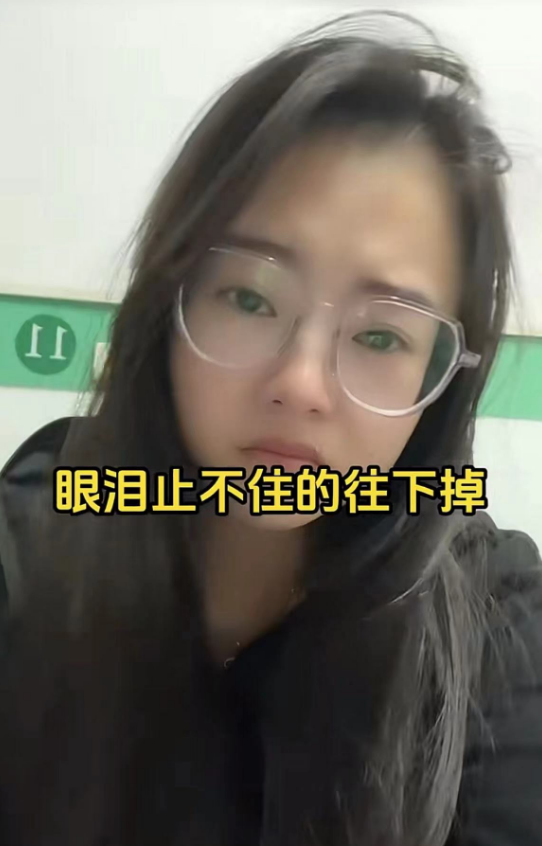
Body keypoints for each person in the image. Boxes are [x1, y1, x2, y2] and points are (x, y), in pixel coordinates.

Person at [0, 10, 541, 846]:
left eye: (381, 337)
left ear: (442, 380)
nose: (300, 385)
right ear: (168, 302)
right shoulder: (48, 521)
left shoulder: (498, 628)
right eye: (249, 298)